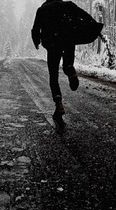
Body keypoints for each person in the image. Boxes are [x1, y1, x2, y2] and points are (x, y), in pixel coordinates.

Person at [32, 0, 103, 128]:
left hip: (53, 43)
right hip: (68, 40)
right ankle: (71, 72)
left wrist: (36, 41)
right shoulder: (68, 5)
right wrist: (94, 27)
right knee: (67, 65)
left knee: (53, 76)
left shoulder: (42, 9)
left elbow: (36, 28)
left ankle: (58, 104)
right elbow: (85, 15)